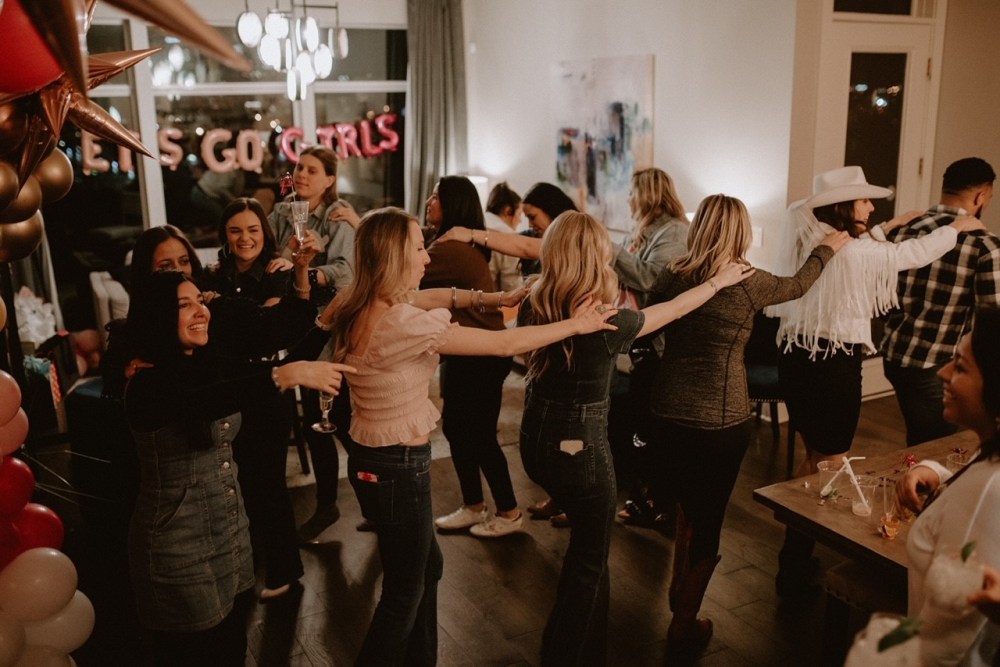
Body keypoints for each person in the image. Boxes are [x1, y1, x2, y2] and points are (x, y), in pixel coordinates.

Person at [324, 206, 617, 665]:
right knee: (405, 592)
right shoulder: (402, 322)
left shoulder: (363, 301)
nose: (427, 257)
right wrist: (578, 325)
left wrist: (494, 299)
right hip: (397, 464)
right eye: (419, 248)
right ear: (394, 257)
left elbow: (436, 297)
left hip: (375, 456)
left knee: (428, 570)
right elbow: (504, 345)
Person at [518, 210, 752, 666]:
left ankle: (584, 651)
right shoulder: (603, 322)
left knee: (588, 557)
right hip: (579, 452)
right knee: (589, 562)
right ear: (597, 257)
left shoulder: (536, 301)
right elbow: (669, 311)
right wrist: (717, 283)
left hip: (536, 444)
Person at [644, 193, 849, 655]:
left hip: (667, 410)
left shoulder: (672, 273)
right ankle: (684, 621)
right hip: (721, 418)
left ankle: (679, 589)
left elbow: (650, 329)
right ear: (741, 232)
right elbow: (799, 285)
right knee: (709, 516)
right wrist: (827, 250)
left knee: (683, 507)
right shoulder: (749, 282)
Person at [769, 166, 985, 597]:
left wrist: (888, 226)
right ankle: (794, 568)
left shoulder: (815, 241)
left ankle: (793, 558)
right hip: (831, 365)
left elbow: (861, 251)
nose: (872, 205)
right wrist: (957, 228)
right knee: (830, 466)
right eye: (864, 200)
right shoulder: (854, 252)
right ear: (844, 206)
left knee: (815, 458)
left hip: (797, 356)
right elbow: (905, 256)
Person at [124, 271, 351, 666]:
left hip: (232, 535)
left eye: (200, 301)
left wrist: (326, 319)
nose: (201, 311)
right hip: (177, 550)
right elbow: (204, 400)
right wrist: (282, 377)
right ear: (157, 316)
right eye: (184, 305)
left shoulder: (205, 361)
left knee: (233, 649)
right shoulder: (146, 383)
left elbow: (266, 370)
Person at [202, 197, 318, 599]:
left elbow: (267, 331)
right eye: (235, 230)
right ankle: (247, 560)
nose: (244, 238)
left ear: (264, 234)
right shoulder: (213, 275)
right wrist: (234, 313)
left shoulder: (277, 272)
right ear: (225, 236)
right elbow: (240, 327)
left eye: (252, 230)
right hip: (226, 384)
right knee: (233, 479)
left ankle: (285, 570)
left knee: (268, 481)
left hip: (269, 385)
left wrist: (223, 310)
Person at [895, 306, 1000, 666]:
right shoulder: (991, 463)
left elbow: (943, 645)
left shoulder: (989, 491)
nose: (941, 372)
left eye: (959, 366)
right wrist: (936, 473)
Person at [421, 176, 522, 537]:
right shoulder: (446, 243)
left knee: (478, 436)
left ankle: (509, 511)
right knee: (458, 430)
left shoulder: (448, 251)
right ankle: (474, 505)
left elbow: (401, 279)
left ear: (454, 205)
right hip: (466, 351)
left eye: (436, 196)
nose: (429, 201)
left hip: (483, 353)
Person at [268, 145, 360, 542]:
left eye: (311, 169)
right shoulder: (282, 212)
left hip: (326, 331)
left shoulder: (339, 218)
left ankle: (349, 498)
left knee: (334, 421)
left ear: (329, 179)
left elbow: (346, 273)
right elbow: (265, 250)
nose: (301, 174)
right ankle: (335, 503)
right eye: (298, 168)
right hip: (288, 327)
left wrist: (309, 269)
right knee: (317, 422)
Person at [881, 157, 1000, 446]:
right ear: (981, 195)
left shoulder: (903, 229)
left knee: (920, 438)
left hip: (894, 356)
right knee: (933, 449)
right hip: (937, 365)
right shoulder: (985, 245)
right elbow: (993, 320)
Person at [608, 167, 690, 526]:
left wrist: (609, 249)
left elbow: (651, 279)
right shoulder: (642, 230)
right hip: (640, 340)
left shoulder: (675, 231)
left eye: (631, 192)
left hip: (660, 343)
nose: (628, 199)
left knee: (653, 426)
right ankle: (644, 496)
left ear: (648, 194)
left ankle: (659, 502)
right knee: (638, 422)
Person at [484, 181, 525, 293]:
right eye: (519, 214)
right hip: (487, 301)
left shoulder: (473, 223)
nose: (521, 220)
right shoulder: (509, 237)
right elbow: (511, 287)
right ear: (508, 211)